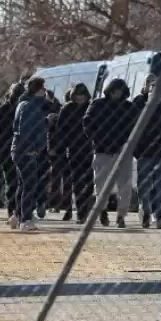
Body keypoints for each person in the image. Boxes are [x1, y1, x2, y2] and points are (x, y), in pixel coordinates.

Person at [83, 78, 137, 228]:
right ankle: (102, 209)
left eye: (119, 91)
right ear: (109, 90)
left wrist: (129, 142)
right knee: (101, 184)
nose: (117, 93)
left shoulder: (129, 107)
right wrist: (96, 139)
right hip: (102, 151)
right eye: (114, 90)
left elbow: (136, 127)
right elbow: (87, 122)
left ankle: (121, 215)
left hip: (123, 151)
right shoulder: (97, 105)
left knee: (125, 185)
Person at [132, 74, 161, 229]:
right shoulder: (138, 104)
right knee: (144, 186)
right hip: (144, 153)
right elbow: (131, 128)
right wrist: (136, 150)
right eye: (151, 86)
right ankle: (145, 212)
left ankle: (160, 215)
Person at [11, 77, 49, 231]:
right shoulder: (29, 106)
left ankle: (17, 215)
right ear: (37, 90)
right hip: (26, 151)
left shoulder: (26, 104)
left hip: (21, 149)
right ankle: (25, 219)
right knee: (29, 185)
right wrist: (32, 148)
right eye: (43, 89)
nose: (45, 91)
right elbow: (25, 129)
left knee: (22, 184)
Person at [55, 83, 95, 224]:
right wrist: (60, 148)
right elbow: (60, 130)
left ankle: (86, 207)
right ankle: (81, 212)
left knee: (90, 182)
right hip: (73, 150)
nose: (79, 98)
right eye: (77, 95)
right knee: (77, 182)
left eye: (82, 95)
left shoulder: (91, 107)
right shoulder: (67, 109)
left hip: (90, 149)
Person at [0, 82, 24, 223]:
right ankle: (12, 211)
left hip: (23, 149)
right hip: (7, 150)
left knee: (22, 182)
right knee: (12, 182)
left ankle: (20, 210)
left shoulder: (24, 108)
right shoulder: (3, 109)